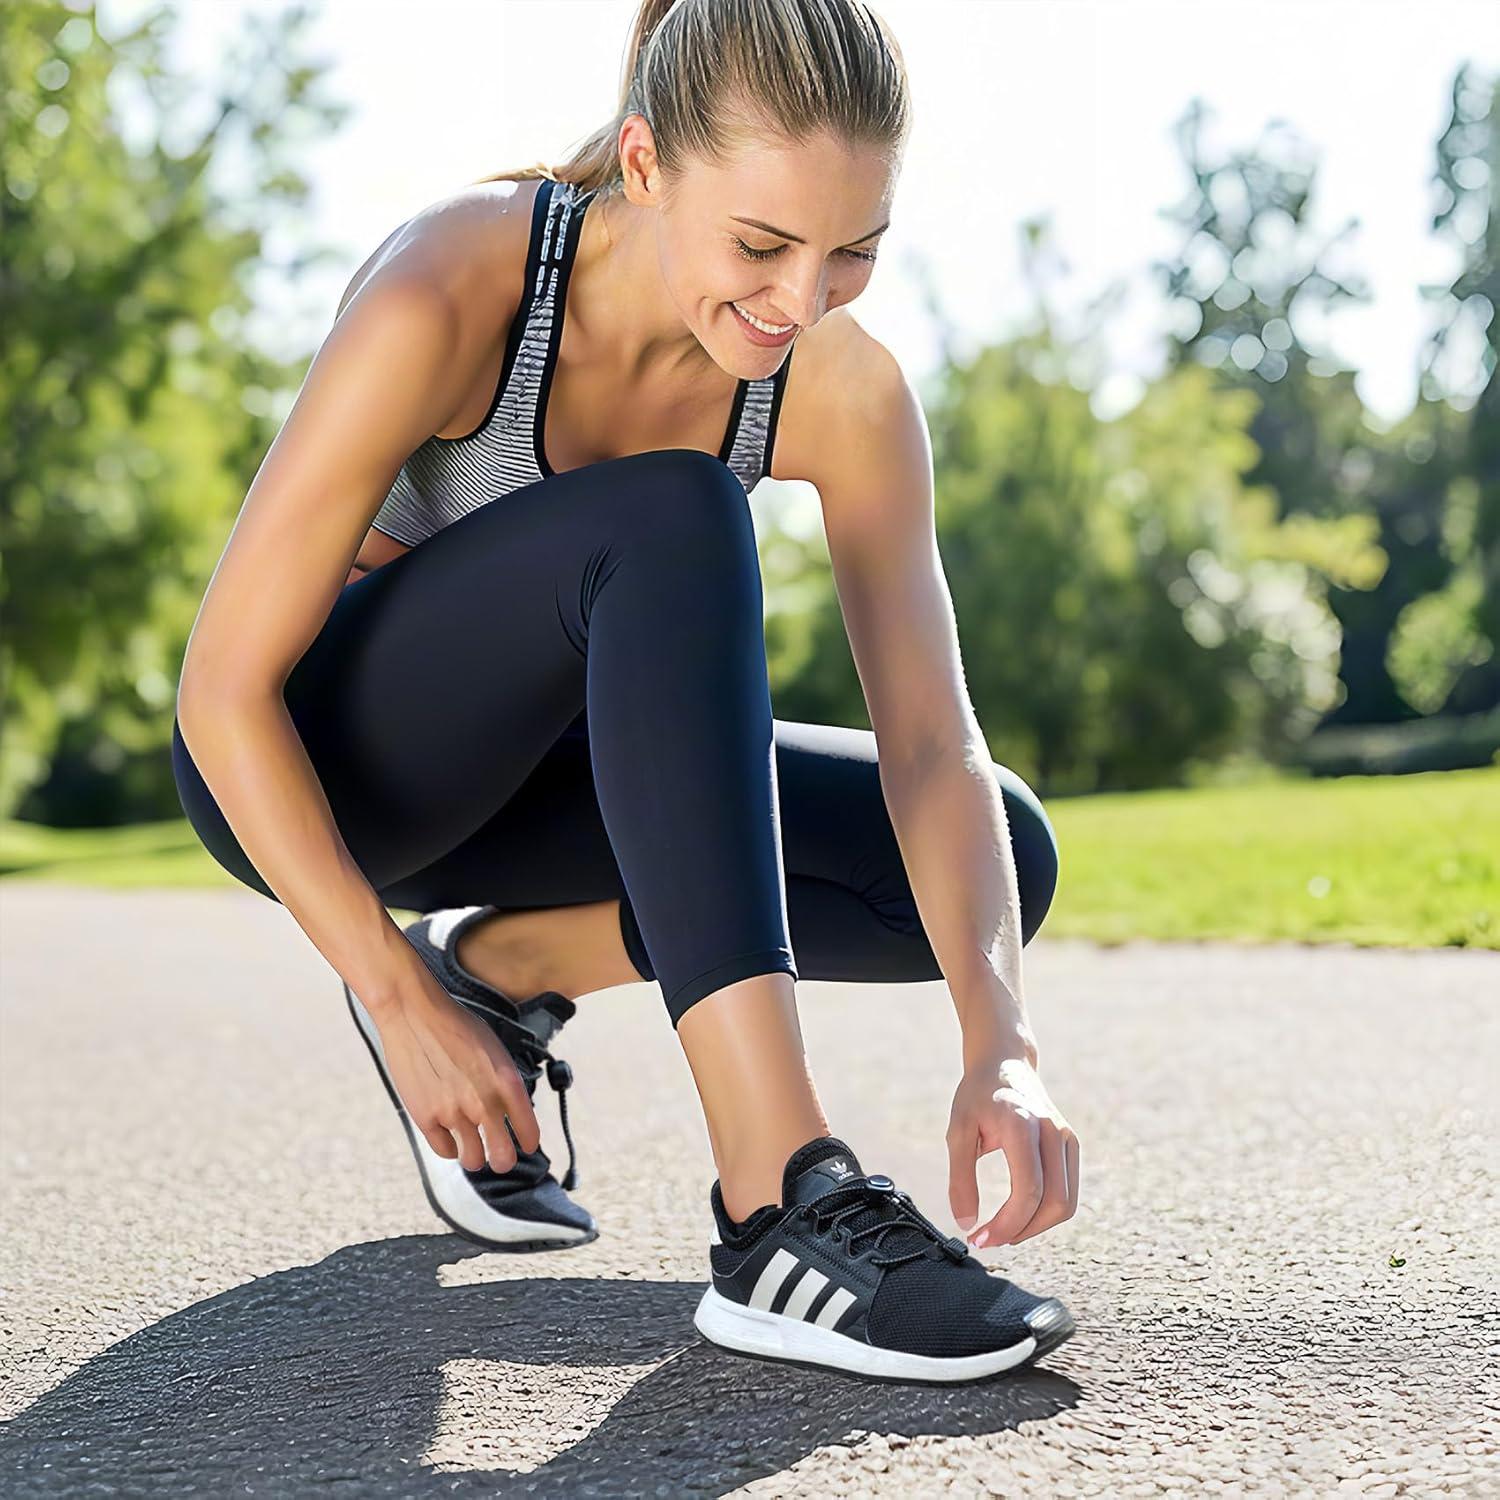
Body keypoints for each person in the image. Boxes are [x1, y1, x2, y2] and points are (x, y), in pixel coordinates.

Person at [170, 0, 1081, 1383]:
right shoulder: (461, 282)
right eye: (762, 246)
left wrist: (1001, 1044)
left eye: (853, 252)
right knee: (671, 512)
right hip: (317, 772)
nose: (799, 302)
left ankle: (505, 970)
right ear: (648, 164)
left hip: (553, 781)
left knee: (995, 854)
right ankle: (779, 1205)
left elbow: (928, 745)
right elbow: (222, 691)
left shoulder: (844, 393)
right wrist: (391, 1000)